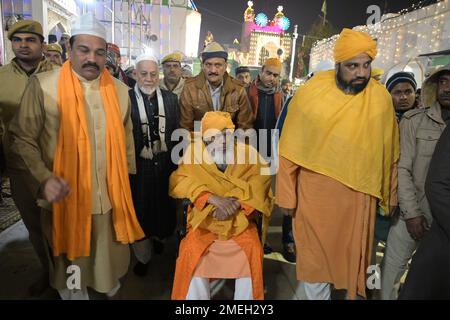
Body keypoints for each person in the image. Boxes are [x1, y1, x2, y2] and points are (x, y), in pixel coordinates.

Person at [7, 12, 144, 300]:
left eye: (99, 52)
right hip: (65, 195)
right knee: (72, 259)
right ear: (70, 49)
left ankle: (104, 287)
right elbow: (22, 138)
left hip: (109, 195)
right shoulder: (44, 86)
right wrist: (44, 179)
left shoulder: (120, 91)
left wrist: (126, 182)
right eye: (84, 50)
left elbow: (127, 139)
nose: (91, 58)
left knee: (105, 256)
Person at [275, 28, 399, 300]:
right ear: (338, 65)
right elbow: (288, 151)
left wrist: (389, 196)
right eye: (352, 66)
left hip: (358, 202)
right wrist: (286, 194)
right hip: (315, 201)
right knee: (315, 266)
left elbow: (390, 154)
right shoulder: (311, 95)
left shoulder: (380, 100)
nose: (361, 73)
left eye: (366, 65)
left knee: (350, 264)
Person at [169, 111, 273, 300]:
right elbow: (178, 182)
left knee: (253, 249)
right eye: (215, 136)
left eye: (226, 134)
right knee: (190, 251)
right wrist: (210, 198)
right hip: (205, 219)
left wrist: (235, 205)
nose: (223, 141)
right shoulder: (194, 153)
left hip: (239, 219)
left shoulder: (248, 153)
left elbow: (261, 182)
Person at [383, 65, 450, 300]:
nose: (447, 89)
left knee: (429, 282)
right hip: (411, 215)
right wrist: (411, 214)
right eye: (442, 83)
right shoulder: (414, 121)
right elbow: (403, 168)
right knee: (390, 276)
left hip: (445, 223)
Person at [0, 19, 54, 296]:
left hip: (55, 166)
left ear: (41, 44)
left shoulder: (59, 75)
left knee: (60, 228)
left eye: (30, 40)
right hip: (20, 168)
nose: (23, 45)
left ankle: (66, 277)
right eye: (17, 40)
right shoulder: (2, 78)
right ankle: (47, 272)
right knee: (34, 227)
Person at [128, 54, 180, 276]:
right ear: (134, 75)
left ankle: (160, 238)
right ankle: (143, 256)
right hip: (138, 169)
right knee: (140, 211)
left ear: (158, 75)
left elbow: (177, 133)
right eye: (143, 74)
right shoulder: (126, 99)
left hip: (166, 166)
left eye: (153, 74)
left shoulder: (170, 99)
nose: (149, 79)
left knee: (165, 209)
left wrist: (179, 165)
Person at [179, 42, 253, 131]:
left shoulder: (238, 90)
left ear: (225, 66)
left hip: (229, 142)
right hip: (199, 142)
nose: (213, 70)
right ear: (202, 66)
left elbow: (245, 127)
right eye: (208, 65)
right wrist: (201, 143)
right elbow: (186, 127)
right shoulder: (190, 88)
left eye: (218, 65)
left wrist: (229, 143)